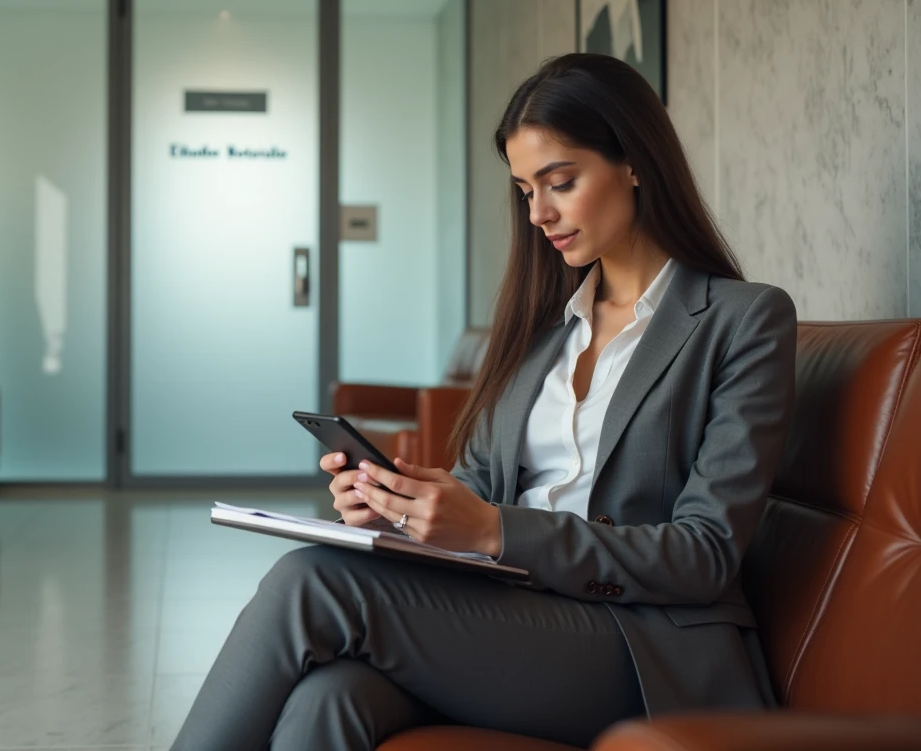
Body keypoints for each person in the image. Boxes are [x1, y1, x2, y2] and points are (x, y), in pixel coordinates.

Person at [171, 53, 797, 750]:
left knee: (310, 583)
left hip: (648, 646)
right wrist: (402, 508)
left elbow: (704, 553)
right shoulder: (541, 333)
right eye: (526, 189)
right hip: (513, 615)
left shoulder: (743, 322)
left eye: (561, 183)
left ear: (635, 162)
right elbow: (478, 492)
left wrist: (498, 531)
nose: (540, 214)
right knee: (330, 698)